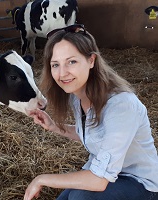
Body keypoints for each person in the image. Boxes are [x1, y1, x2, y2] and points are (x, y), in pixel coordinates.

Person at [23, 24, 158, 200]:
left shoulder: (121, 105)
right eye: (55, 64)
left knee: (80, 198)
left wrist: (41, 179)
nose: (62, 73)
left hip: (140, 183)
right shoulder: (77, 96)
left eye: (72, 61)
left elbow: (98, 181)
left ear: (91, 60)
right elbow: (93, 134)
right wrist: (54, 126)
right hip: (108, 174)